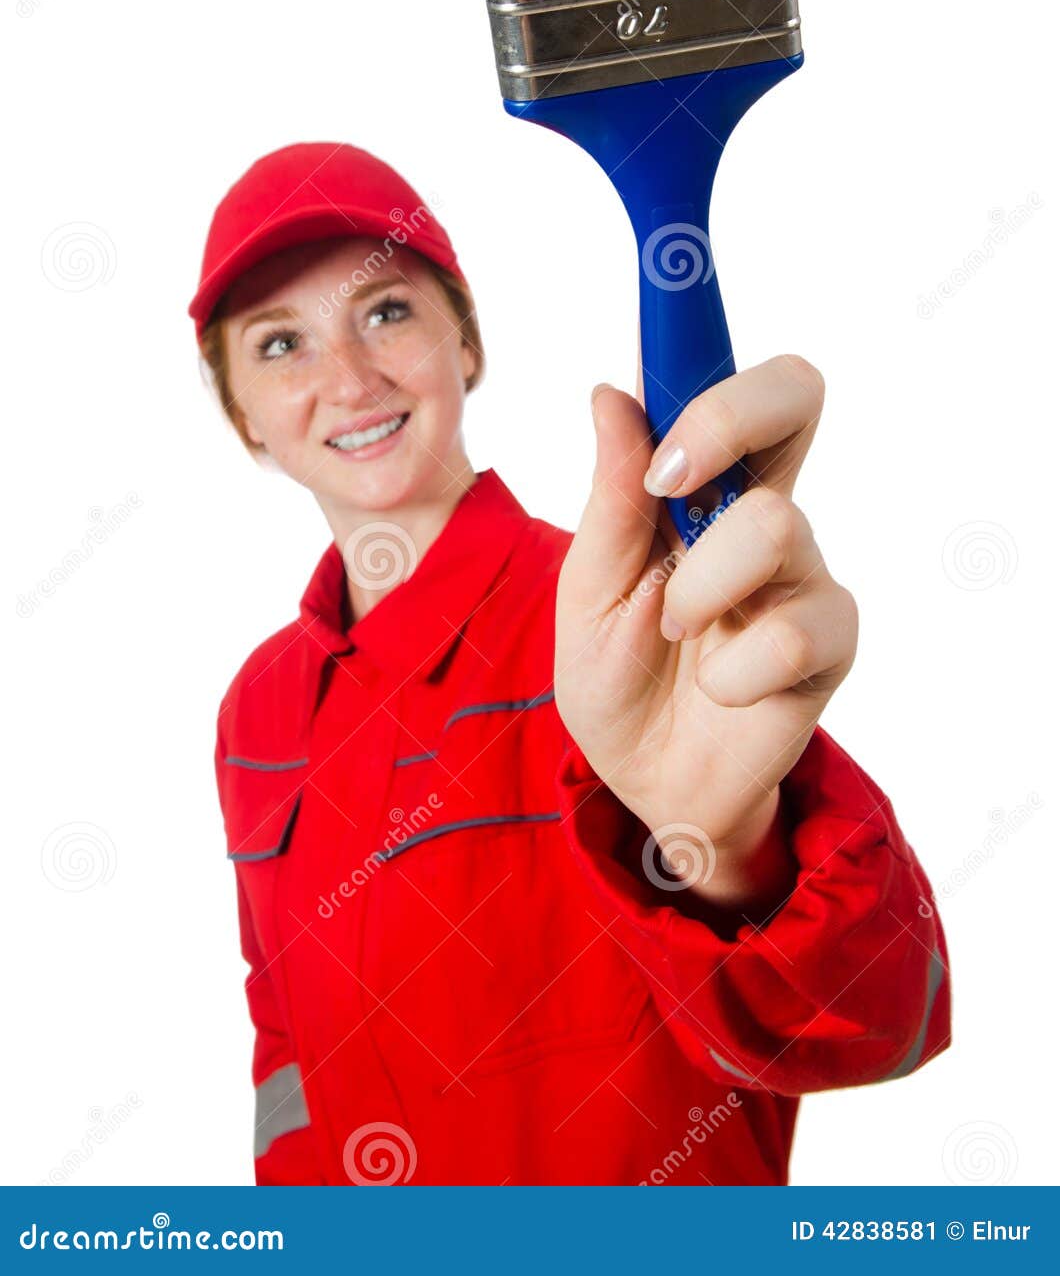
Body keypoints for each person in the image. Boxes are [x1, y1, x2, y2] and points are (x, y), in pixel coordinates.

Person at [189, 139, 951, 1187]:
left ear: (465, 344)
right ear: (242, 414)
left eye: (387, 312)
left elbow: (878, 1013)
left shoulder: (618, 616)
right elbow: (283, 1048)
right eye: (281, 344)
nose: (350, 380)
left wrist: (727, 847)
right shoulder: (259, 709)